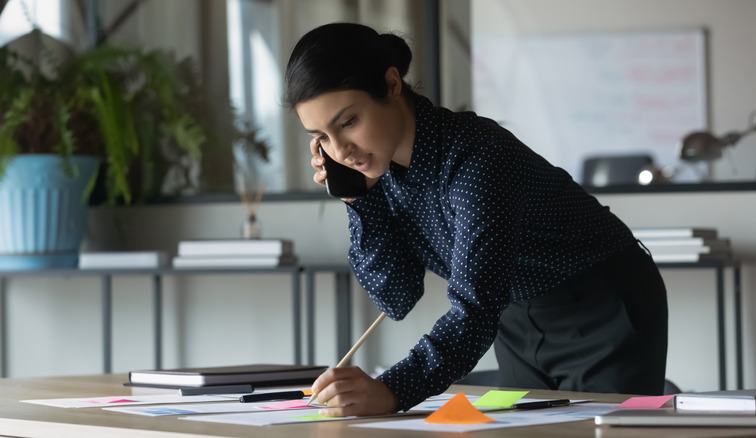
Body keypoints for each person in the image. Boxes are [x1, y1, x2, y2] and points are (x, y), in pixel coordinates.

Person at [283, 22, 668, 417]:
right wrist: (358, 199)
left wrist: (392, 391)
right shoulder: (378, 173)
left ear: (392, 84)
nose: (341, 150)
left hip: (599, 302)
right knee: (525, 430)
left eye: (348, 122)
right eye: (322, 137)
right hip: (514, 316)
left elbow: (475, 307)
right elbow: (396, 297)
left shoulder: (477, 156)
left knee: (601, 430)